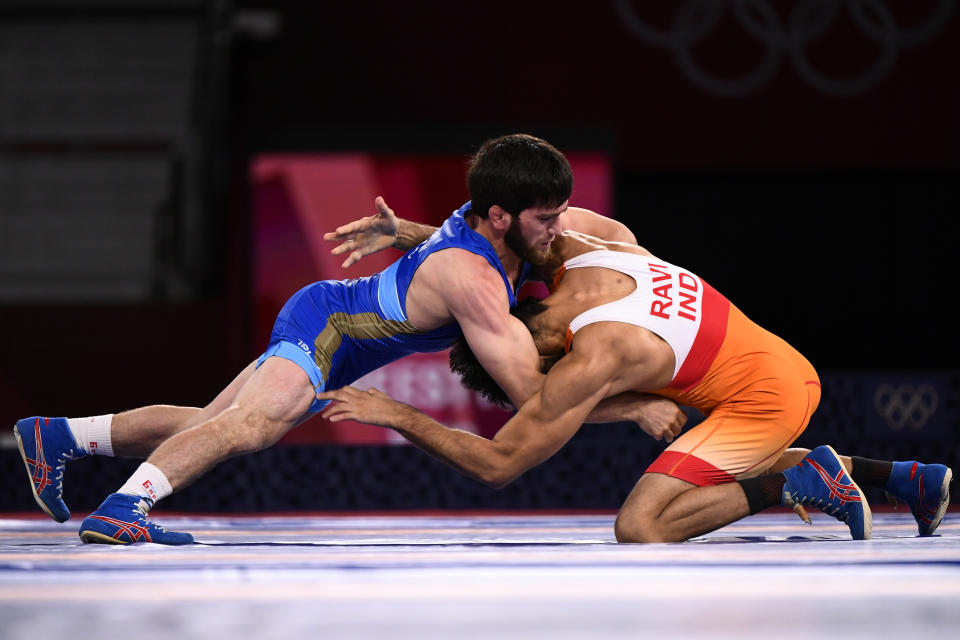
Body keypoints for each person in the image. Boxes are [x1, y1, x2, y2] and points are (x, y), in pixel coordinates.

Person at [13, 134, 686, 545]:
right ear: (501, 216)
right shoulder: (474, 282)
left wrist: (403, 233)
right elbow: (535, 400)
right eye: (548, 217)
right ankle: (125, 506)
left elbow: (610, 239)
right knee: (254, 426)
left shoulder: (491, 222)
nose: (560, 227)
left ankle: (61, 437)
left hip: (335, 321)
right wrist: (635, 410)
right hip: (328, 332)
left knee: (210, 423)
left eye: (563, 210)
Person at [317, 230, 953, 541]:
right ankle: (907, 480)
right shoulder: (593, 248)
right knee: (713, 461)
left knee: (640, 526)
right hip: (783, 363)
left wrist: (396, 413)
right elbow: (486, 253)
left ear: (520, 344)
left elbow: (499, 464)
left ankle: (794, 480)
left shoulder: (593, 358)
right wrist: (407, 232)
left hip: (765, 401)